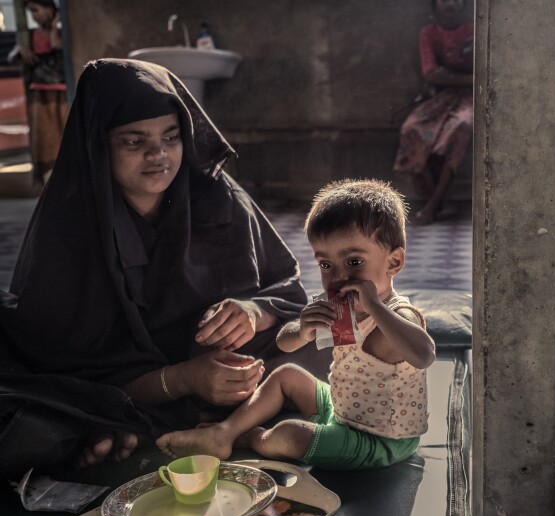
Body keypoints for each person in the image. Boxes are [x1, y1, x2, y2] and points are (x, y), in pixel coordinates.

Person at [0, 59, 309, 478]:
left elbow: (288, 288)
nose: (158, 155)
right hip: (127, 384)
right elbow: (64, 361)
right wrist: (181, 380)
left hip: (227, 372)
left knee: (334, 344)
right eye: (133, 141)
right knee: (43, 411)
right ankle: (136, 421)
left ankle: (130, 425)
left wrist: (254, 311)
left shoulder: (216, 196)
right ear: (99, 145)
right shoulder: (69, 225)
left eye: (171, 137)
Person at [157, 179, 436, 470]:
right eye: (326, 265)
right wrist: (302, 330)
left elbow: (424, 354)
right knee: (287, 374)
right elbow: (284, 343)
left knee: (289, 436)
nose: (338, 277)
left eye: (354, 262)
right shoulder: (341, 308)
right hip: (340, 410)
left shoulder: (398, 315)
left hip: (381, 439)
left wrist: (375, 307)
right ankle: (224, 432)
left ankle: (250, 437)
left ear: (393, 263)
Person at [392, 0, 473, 225]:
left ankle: (432, 206)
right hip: (441, 97)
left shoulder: (473, 30)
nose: (451, 3)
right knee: (412, 129)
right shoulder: (429, 33)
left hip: (471, 98)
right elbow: (430, 73)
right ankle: (442, 204)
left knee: (461, 126)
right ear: (435, 4)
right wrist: (470, 78)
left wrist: (449, 75)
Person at [9, 0, 68, 193]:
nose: (34, 16)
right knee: (42, 134)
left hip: (60, 92)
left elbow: (56, 44)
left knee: (62, 131)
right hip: (39, 92)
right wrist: (21, 48)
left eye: (37, 10)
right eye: (31, 12)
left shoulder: (61, 33)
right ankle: (44, 179)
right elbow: (13, 57)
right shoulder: (30, 36)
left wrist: (55, 24)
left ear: (50, 10)